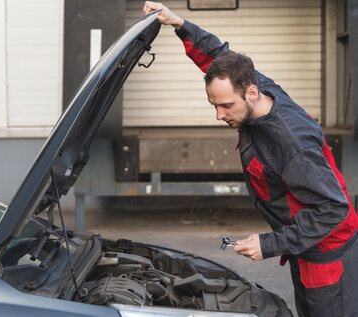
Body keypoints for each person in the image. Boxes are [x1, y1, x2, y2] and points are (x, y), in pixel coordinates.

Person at [143, 2, 358, 317]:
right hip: (305, 245)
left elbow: (333, 209)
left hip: (327, 255)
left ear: (252, 93)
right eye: (214, 105)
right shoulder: (255, 86)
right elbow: (219, 56)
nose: (219, 115)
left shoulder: (291, 143)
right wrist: (178, 22)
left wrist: (269, 244)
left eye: (226, 106)